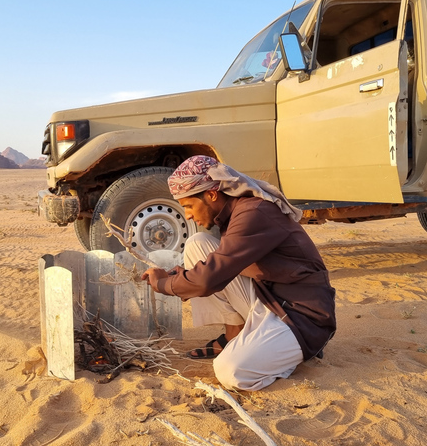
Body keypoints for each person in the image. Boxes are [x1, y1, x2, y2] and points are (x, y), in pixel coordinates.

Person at [141, 155, 336, 391]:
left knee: (230, 370)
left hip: (301, 315)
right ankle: (236, 335)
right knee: (197, 243)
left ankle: (287, 351)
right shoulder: (235, 212)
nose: (188, 215)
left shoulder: (254, 213)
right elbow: (223, 266)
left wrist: (164, 284)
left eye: (189, 206)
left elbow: (207, 280)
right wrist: (182, 276)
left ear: (211, 195)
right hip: (269, 298)